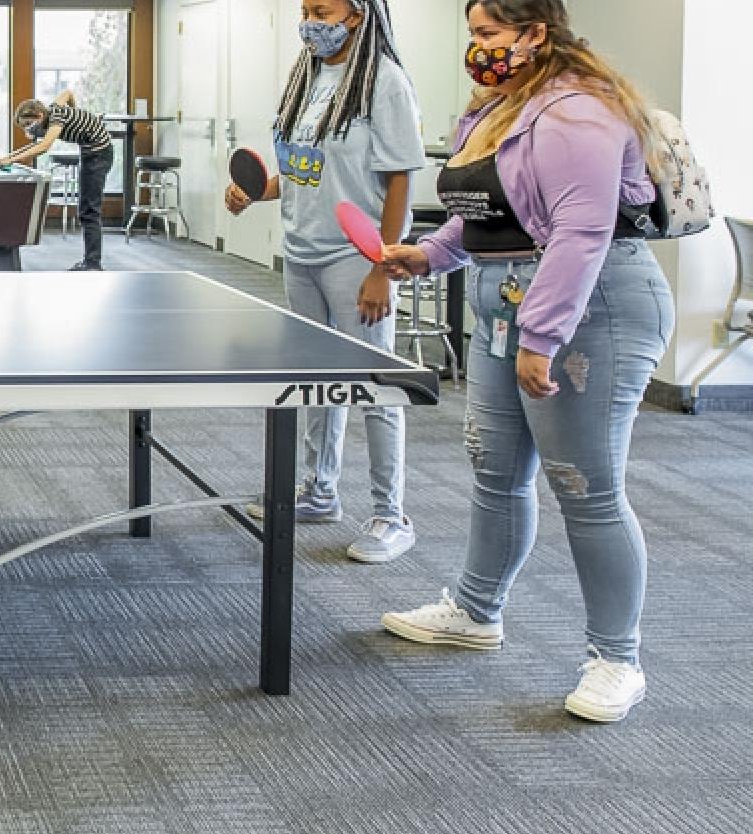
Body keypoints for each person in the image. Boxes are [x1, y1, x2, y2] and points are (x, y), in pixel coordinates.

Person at [377, 0, 672, 724]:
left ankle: (617, 658)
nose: (475, 48)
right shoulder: (507, 105)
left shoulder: (578, 111)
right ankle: (477, 610)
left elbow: (580, 229)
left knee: (585, 485)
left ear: (536, 32)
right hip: (507, 305)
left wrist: (542, 334)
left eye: (487, 34)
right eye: (473, 34)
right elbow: (486, 209)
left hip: (589, 307)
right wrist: (432, 254)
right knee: (495, 467)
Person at [225, 0, 422, 563]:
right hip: (301, 252)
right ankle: (319, 489)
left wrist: (384, 265)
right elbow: (304, 173)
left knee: (377, 384)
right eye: (306, 7)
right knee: (314, 379)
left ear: (357, 14)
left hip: (355, 259)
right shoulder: (306, 76)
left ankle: (391, 514)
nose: (311, 18)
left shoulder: (383, 81)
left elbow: (399, 181)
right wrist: (255, 192)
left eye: (323, 8)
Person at [0, 93, 117, 271]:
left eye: (28, 124)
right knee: (87, 210)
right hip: (90, 152)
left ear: (40, 116)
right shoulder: (53, 109)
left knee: (89, 212)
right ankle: (91, 261)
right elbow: (67, 93)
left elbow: (43, 147)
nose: (28, 130)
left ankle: (93, 264)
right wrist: (6, 158)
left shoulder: (56, 119)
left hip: (98, 156)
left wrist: (9, 161)